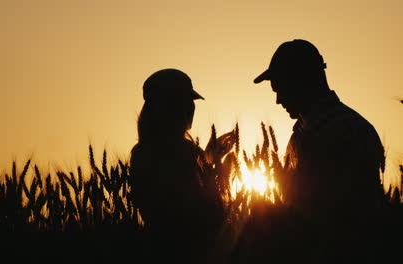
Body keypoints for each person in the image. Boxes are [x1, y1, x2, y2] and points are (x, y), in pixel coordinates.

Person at [253, 39, 386, 262]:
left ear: (303, 80)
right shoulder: (305, 131)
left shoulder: (343, 131)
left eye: (281, 88)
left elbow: (339, 219)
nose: (278, 100)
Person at [129, 68, 235, 262]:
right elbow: (193, 210)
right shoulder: (181, 151)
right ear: (172, 106)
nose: (192, 108)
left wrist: (210, 156)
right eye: (188, 102)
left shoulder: (143, 152)